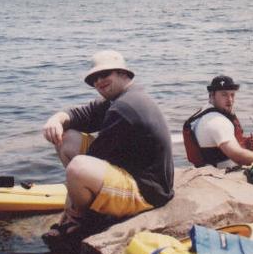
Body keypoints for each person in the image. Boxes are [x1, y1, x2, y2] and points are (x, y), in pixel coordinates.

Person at [42, 50, 174, 240]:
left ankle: (80, 220)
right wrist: (57, 119)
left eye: (105, 74)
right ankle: (84, 204)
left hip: (149, 193)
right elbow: (84, 115)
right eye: (94, 78)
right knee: (67, 138)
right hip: (133, 171)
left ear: (123, 73)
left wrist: (71, 206)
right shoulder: (122, 97)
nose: (99, 81)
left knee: (78, 168)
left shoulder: (124, 108)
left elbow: (93, 158)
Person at [183, 75, 253, 169]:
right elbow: (237, 156)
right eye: (224, 94)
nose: (230, 100)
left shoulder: (204, 114)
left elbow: (216, 147)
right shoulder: (217, 121)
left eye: (232, 95)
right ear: (211, 96)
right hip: (225, 175)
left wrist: (243, 144)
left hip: (211, 168)